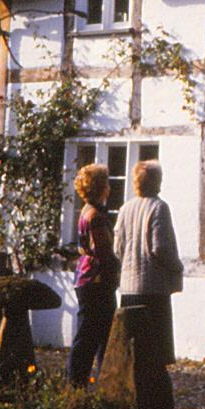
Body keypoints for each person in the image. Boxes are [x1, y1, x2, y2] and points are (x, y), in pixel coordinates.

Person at [112, 160, 183, 365]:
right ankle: (154, 396)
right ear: (156, 181)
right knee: (155, 355)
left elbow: (118, 248)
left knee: (132, 354)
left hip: (128, 290)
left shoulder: (125, 208)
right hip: (154, 290)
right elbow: (160, 247)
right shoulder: (159, 207)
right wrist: (177, 266)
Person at [68, 163, 118, 387]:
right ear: (101, 188)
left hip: (87, 279)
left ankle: (87, 384)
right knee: (93, 336)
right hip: (96, 281)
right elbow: (103, 251)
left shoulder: (86, 210)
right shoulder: (96, 215)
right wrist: (118, 266)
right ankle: (77, 385)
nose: (109, 188)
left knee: (94, 336)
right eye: (106, 183)